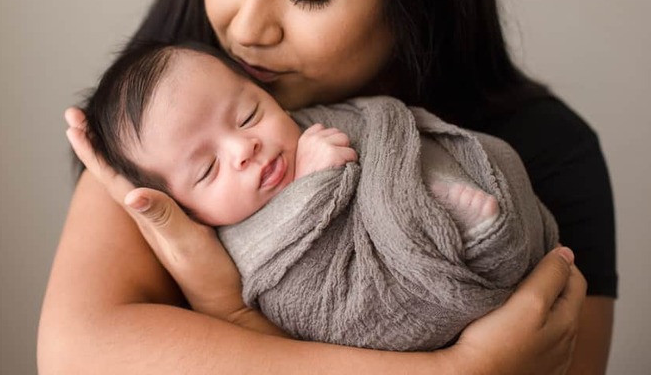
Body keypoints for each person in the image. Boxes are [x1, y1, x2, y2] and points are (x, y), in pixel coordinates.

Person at [38, 0, 615, 373]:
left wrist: (233, 315)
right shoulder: (167, 126)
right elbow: (77, 356)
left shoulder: (547, 149)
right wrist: (457, 371)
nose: (248, 30)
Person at [81, 41, 559, 351]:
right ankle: (448, 237)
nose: (244, 149)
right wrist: (312, 185)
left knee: (459, 155)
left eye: (248, 116)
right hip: (341, 286)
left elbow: (379, 127)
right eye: (207, 169)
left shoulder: (310, 122)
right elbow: (306, 302)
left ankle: (435, 214)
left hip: (411, 205)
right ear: (189, 211)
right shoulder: (236, 240)